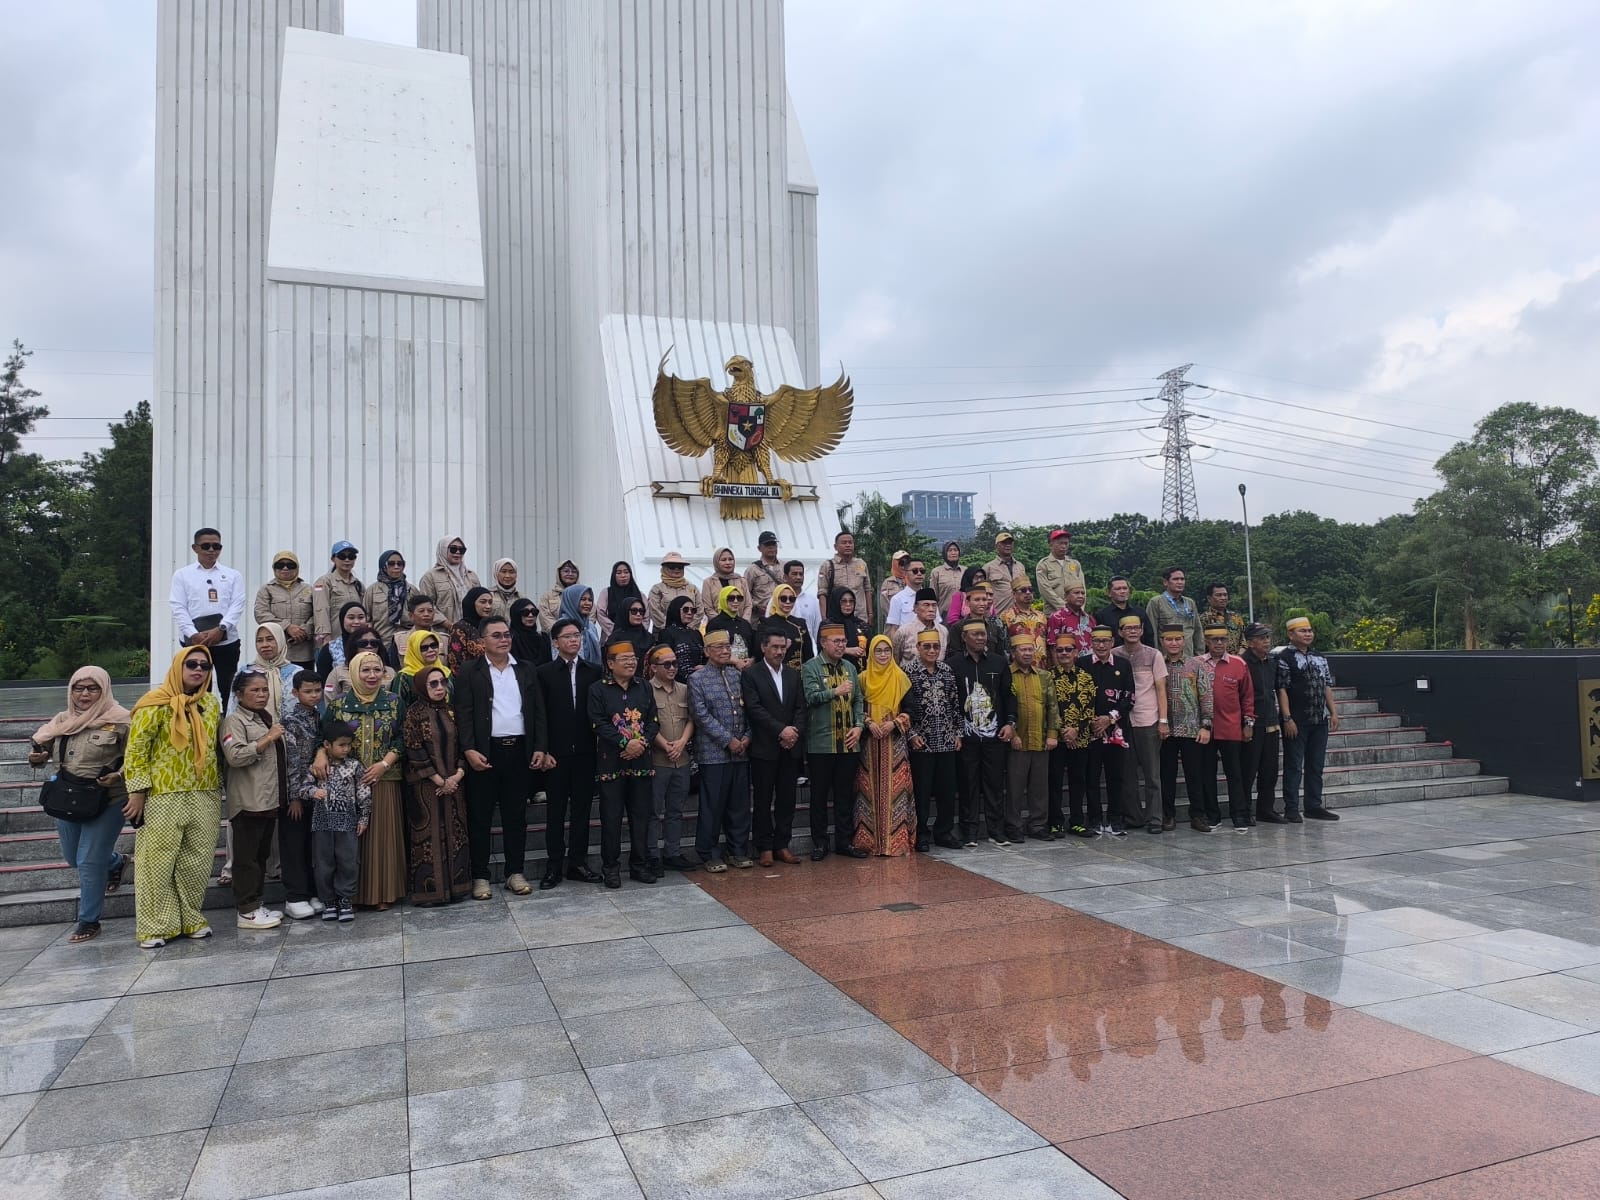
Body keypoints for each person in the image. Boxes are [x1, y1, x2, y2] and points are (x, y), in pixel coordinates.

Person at [125, 646, 222, 948]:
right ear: (178, 667)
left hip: (203, 791)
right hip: (162, 794)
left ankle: (190, 918)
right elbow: (136, 751)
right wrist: (137, 792)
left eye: (204, 666)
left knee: (198, 861)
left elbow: (216, 749)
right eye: (191, 664)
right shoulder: (153, 705)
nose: (198, 670)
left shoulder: (210, 703)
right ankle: (155, 926)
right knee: (156, 861)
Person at [29, 666, 131, 943]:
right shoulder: (62, 720)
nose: (84, 694)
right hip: (67, 798)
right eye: (78, 687)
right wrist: (37, 757)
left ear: (104, 690)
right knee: (73, 858)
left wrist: (119, 775)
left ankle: (89, 921)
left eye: (92, 688)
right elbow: (42, 747)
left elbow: (136, 757)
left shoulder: (122, 720)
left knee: (87, 861)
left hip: (107, 800)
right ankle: (115, 862)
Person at [455, 616, 549, 897]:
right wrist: (469, 749)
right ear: (483, 641)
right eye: (496, 635)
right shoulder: (470, 671)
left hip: (519, 751)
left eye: (507, 635)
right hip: (485, 753)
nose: (504, 639)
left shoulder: (526, 670)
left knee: (515, 816)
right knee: (481, 817)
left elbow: (538, 712)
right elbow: (464, 714)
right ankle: (480, 875)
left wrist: (540, 747)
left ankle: (514, 872)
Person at [327, 651, 406, 909]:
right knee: (351, 842)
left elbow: (404, 737)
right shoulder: (338, 705)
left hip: (385, 780)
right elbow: (323, 736)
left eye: (377, 670)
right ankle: (352, 895)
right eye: (365, 670)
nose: (372, 675)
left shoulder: (394, 701)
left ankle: (384, 893)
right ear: (353, 672)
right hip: (347, 783)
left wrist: (384, 764)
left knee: (383, 839)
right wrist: (319, 755)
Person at [535, 618, 602, 888]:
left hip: (586, 752)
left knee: (582, 811)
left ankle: (577, 862)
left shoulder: (593, 671)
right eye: (568, 636)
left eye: (577, 635)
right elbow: (539, 715)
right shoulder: (544, 673)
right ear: (555, 642)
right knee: (556, 811)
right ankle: (553, 866)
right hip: (556, 755)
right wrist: (544, 749)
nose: (574, 640)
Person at [588, 640, 659, 888]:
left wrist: (641, 743)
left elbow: (654, 721)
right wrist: (624, 743)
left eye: (633, 658)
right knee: (611, 818)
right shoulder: (598, 689)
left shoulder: (645, 687)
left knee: (641, 817)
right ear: (610, 663)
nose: (631, 662)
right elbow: (598, 723)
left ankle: (639, 865)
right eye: (624, 658)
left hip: (642, 760)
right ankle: (611, 868)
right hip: (612, 764)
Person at [219, 669, 286, 930]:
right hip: (248, 800)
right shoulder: (234, 721)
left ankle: (256, 904)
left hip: (267, 799)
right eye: (254, 690)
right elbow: (234, 756)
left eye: (264, 690)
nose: (261, 695)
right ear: (239, 694)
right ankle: (246, 910)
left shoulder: (264, 717)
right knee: (246, 859)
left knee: (259, 857)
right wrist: (266, 739)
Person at [402, 666, 472, 905]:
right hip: (425, 787)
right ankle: (430, 892)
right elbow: (413, 748)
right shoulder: (414, 713)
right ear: (422, 686)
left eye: (442, 682)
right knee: (428, 836)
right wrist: (438, 780)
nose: (440, 688)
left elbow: (465, 743)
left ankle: (457, 887)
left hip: (455, 784)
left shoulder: (452, 711)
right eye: (433, 684)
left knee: (456, 832)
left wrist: (457, 775)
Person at [689, 630, 754, 873]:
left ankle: (738, 850)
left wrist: (747, 737)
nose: (725, 651)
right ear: (706, 651)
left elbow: (749, 710)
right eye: (718, 647)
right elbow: (701, 716)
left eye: (727, 647)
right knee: (713, 805)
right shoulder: (698, 679)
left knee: (739, 804)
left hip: (741, 752)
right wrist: (728, 740)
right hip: (713, 753)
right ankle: (709, 852)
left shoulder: (737, 675)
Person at [801, 623, 866, 860]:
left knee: (844, 795)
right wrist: (835, 692)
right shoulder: (811, 667)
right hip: (822, 743)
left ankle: (844, 842)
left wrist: (859, 727)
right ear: (823, 642)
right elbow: (810, 697)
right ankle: (819, 843)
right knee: (818, 796)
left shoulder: (850, 667)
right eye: (836, 641)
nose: (841, 645)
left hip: (848, 742)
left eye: (843, 641)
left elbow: (859, 700)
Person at [742, 626, 805, 867]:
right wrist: (781, 730)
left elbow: (801, 708)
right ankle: (764, 846)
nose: (780, 651)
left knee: (787, 799)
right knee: (763, 799)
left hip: (790, 747)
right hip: (765, 746)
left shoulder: (792, 674)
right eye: (775, 647)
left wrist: (793, 732)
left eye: (783, 647)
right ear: (763, 647)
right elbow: (755, 708)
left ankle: (782, 844)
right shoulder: (752, 674)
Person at [949, 616, 1015, 847]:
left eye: (983, 634)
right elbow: (951, 700)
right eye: (975, 634)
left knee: (995, 784)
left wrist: (1010, 723)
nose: (980, 638)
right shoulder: (954, 664)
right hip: (966, 737)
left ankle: (996, 831)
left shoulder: (998, 663)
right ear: (964, 637)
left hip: (994, 735)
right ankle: (969, 832)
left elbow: (1009, 695)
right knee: (968, 785)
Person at [298, 717, 370, 922]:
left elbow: (364, 792)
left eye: (348, 745)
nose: (346, 749)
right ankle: (328, 901)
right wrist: (313, 792)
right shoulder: (318, 767)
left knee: (348, 861)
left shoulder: (355, 766)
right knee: (323, 863)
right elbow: (302, 789)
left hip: (347, 822)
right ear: (327, 745)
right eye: (341, 745)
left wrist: (363, 817)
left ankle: (345, 899)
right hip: (322, 822)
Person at [1276, 616, 1342, 821]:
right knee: (1294, 765)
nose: (1308, 634)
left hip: (1318, 720)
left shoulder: (1320, 657)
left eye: (1309, 631)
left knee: (1316, 765)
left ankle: (1313, 805)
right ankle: (1292, 808)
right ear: (1290, 634)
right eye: (1302, 631)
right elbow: (1282, 689)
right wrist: (1287, 718)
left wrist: (1333, 712)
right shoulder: (1284, 657)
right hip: (1296, 720)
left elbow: (1326, 686)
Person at [854, 635, 915, 855]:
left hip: (894, 743)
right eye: (878, 651)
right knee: (866, 792)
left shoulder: (900, 677)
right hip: (869, 744)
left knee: (896, 791)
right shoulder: (862, 679)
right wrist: (868, 723)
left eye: (886, 651)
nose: (882, 655)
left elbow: (911, 710)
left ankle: (895, 844)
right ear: (871, 653)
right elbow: (856, 707)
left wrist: (894, 723)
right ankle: (868, 844)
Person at [168, 527, 245, 698]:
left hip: (226, 641)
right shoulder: (182, 575)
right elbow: (178, 606)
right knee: (197, 688)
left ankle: (229, 723)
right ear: (195, 548)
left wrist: (221, 628)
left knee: (229, 689)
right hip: (195, 642)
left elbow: (238, 604)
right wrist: (193, 634)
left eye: (216, 546)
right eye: (206, 546)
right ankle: (198, 723)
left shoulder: (233, 575)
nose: (211, 550)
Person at [904, 629, 962, 851]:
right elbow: (904, 708)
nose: (931, 650)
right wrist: (912, 735)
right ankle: (921, 835)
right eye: (926, 646)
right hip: (922, 743)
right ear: (918, 648)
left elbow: (955, 704)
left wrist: (958, 732)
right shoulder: (909, 672)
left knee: (947, 791)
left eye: (935, 647)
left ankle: (944, 832)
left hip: (946, 740)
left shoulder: (947, 671)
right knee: (922, 792)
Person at [1113, 615, 1169, 834]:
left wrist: (1163, 721)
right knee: (1127, 774)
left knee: (1152, 774)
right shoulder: (1115, 655)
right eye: (1128, 628)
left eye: (1136, 628)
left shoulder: (1153, 654)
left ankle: (1155, 818)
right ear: (1120, 632)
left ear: (1142, 630)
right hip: (1123, 722)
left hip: (1148, 719)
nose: (1132, 631)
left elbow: (1161, 689)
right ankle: (1133, 817)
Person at [279, 670, 326, 919]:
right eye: (308, 691)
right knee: (294, 845)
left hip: (315, 791)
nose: (314, 695)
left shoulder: (319, 717)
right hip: (296, 794)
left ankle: (312, 892)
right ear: (295, 693)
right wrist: (295, 796)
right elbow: (291, 762)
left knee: (312, 845)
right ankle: (295, 896)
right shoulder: (290, 722)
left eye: (317, 690)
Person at [647, 645, 697, 872]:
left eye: (675, 663)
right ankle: (651, 855)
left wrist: (681, 742)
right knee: (654, 812)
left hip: (682, 758)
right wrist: (665, 744)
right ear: (653, 667)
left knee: (676, 810)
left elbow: (692, 719)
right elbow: (647, 723)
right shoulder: (645, 690)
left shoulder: (685, 689)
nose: (672, 668)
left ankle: (673, 852)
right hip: (658, 759)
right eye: (666, 664)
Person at [1201, 623, 1255, 831]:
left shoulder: (1238, 664)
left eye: (1223, 639)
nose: (1219, 643)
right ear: (1207, 641)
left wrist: (1248, 723)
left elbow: (1247, 697)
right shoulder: (1197, 663)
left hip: (1231, 727)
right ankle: (1212, 815)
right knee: (1207, 773)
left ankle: (1239, 815)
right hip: (1206, 730)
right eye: (1214, 640)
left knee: (1235, 773)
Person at [1080, 627, 1133, 838]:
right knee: (1091, 777)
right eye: (1097, 641)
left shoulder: (1123, 664)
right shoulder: (1082, 664)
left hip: (1116, 731)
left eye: (1105, 641)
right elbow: (1077, 694)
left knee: (1116, 777)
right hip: (1090, 730)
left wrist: (1109, 719)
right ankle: (1094, 819)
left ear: (1112, 642)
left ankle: (1115, 819)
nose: (1101, 645)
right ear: (1091, 642)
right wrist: (1093, 721)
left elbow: (1129, 697)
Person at [1159, 626, 1212, 833]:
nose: (1173, 643)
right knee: (1166, 775)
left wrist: (1205, 725)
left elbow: (1206, 696)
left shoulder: (1196, 665)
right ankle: (1168, 815)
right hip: (1165, 731)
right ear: (1162, 640)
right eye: (1169, 639)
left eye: (1177, 639)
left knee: (1195, 774)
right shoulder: (1158, 664)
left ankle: (1198, 815)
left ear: (1184, 640)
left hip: (1191, 729)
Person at [1005, 637, 1058, 844]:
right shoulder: (1007, 675)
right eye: (1023, 650)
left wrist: (1053, 734)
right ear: (1013, 652)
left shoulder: (1044, 676)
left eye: (1030, 650)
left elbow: (1052, 707)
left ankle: (1038, 825)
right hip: (1017, 740)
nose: (1027, 654)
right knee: (1015, 787)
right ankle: (1014, 825)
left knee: (1039, 787)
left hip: (1040, 738)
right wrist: (1013, 734)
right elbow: (1002, 705)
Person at [1046, 635, 1097, 838]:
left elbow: (1089, 707)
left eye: (1068, 649)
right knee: (1054, 781)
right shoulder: (1048, 677)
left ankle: (1077, 821)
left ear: (1076, 652)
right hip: (1056, 738)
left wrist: (1075, 729)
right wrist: (1062, 731)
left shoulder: (1086, 677)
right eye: (1060, 650)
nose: (1064, 653)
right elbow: (1049, 708)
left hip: (1080, 738)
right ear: (1054, 653)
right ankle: (1055, 822)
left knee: (1078, 780)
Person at [1241, 622, 1286, 823]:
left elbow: (1277, 690)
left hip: (1271, 721)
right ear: (1250, 643)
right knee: (1248, 770)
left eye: (1267, 637)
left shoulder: (1272, 662)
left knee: (1270, 770)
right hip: (1252, 723)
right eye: (1261, 638)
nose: (1266, 641)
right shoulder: (1242, 663)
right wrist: (1246, 723)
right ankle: (1244, 810)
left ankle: (1266, 810)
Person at [254, 550, 315, 666]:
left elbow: (318, 614)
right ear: (274, 568)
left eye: (290, 565)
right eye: (280, 565)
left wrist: (304, 631)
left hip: (304, 651)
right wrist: (287, 627)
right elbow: (261, 614)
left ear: (297, 568)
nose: (285, 568)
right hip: (276, 651)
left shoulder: (309, 589)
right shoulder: (266, 590)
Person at [312, 541, 366, 653]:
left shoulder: (358, 585)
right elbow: (321, 609)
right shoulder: (324, 582)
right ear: (333, 559)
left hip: (354, 640)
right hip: (333, 640)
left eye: (351, 556)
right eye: (342, 556)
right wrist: (325, 636)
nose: (347, 560)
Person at [418, 536, 482, 627]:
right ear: (443, 550)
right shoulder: (430, 577)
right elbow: (426, 606)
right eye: (453, 549)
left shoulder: (472, 576)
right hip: (443, 632)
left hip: (471, 631)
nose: (458, 552)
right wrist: (448, 624)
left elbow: (480, 602)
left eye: (462, 550)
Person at [239, 622, 297, 718]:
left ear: (280, 640)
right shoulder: (246, 671)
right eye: (259, 640)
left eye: (270, 639)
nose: (264, 645)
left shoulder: (296, 672)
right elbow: (233, 709)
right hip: (253, 730)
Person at [393, 628, 451, 723]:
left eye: (434, 645)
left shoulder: (446, 673)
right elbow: (399, 710)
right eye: (424, 648)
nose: (431, 650)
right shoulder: (405, 676)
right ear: (414, 650)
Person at [817, 531, 873, 626]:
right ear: (835, 547)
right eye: (844, 543)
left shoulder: (861, 564)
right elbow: (822, 593)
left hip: (859, 617)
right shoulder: (827, 566)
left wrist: (870, 614)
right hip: (837, 619)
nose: (848, 545)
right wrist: (824, 619)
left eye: (850, 542)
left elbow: (867, 589)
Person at [1147, 566, 1203, 659]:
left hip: (1189, 657)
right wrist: (1156, 658)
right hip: (1165, 658)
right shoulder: (1156, 602)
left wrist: (1200, 655)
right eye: (1176, 579)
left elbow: (1197, 630)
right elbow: (1151, 632)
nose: (1180, 582)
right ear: (1166, 582)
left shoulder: (1190, 602)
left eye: (1182, 579)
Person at [324, 628, 393, 702]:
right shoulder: (338, 672)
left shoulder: (390, 672)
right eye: (363, 643)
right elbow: (330, 700)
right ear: (354, 645)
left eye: (374, 643)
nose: (369, 646)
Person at [951, 580, 1011, 663]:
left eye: (984, 599)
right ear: (968, 602)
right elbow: (954, 656)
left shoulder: (994, 627)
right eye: (977, 600)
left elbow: (1000, 655)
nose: (982, 603)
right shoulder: (958, 627)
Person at [365, 550, 414, 647]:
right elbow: (366, 618)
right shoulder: (372, 590)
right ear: (383, 566)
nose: (396, 567)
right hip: (382, 642)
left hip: (406, 643)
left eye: (400, 564)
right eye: (391, 564)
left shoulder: (411, 590)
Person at [314, 601, 372, 678]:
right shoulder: (330, 649)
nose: (356, 621)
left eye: (361, 617)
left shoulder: (373, 644)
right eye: (351, 618)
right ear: (342, 620)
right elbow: (323, 680)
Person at [891, 588, 946, 668]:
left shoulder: (943, 631)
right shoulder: (904, 632)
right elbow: (895, 661)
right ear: (916, 608)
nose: (931, 609)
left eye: (934, 605)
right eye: (926, 605)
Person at [705, 584, 757, 669]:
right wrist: (736, 661)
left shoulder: (745, 624)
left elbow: (753, 647)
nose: (735, 601)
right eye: (731, 598)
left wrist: (751, 660)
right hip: (724, 670)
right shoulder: (715, 624)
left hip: (746, 670)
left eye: (739, 598)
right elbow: (712, 651)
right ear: (723, 600)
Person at [1035, 529, 1086, 614]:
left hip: (1076, 613)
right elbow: (1045, 590)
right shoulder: (1043, 564)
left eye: (1066, 543)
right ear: (1051, 544)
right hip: (1053, 613)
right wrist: (1065, 608)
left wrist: (1081, 609)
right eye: (1060, 543)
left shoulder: (1075, 564)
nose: (1063, 546)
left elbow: (1083, 588)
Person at [764, 584, 814, 669]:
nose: (788, 602)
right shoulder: (766, 623)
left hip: (799, 675)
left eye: (792, 599)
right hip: (775, 673)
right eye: (783, 599)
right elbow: (760, 653)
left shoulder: (800, 623)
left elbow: (809, 654)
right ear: (776, 599)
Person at [1095, 576, 1154, 647]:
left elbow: (1149, 636)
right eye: (1118, 589)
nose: (1122, 591)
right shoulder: (1102, 615)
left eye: (1125, 588)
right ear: (1109, 593)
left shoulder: (1140, 612)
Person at [447, 586, 497, 671]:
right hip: (471, 680)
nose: (488, 606)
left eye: (490, 602)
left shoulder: (491, 626)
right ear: (472, 603)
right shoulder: (460, 628)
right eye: (483, 602)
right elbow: (456, 663)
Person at [656, 596, 705, 680]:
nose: (689, 613)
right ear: (676, 610)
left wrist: (704, 667)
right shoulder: (667, 633)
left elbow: (705, 657)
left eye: (693, 610)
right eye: (686, 610)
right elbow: (665, 661)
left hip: (699, 681)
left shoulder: (696, 634)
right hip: (676, 683)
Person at [557, 583, 605, 667]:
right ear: (572, 601)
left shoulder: (591, 626)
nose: (588, 603)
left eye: (590, 600)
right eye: (583, 599)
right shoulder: (561, 626)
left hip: (592, 675)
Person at [647, 552, 697, 630]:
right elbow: (655, 611)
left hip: (689, 633)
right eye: (672, 567)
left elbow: (699, 610)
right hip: (663, 632)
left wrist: (689, 627)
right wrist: (670, 628)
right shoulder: (657, 589)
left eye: (680, 567)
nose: (676, 569)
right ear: (664, 568)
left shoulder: (693, 588)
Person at [982, 531, 1027, 616]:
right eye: (1004, 543)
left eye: (1010, 542)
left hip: (1020, 615)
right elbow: (982, 593)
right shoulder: (988, 568)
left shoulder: (1020, 566)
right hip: (999, 614)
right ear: (996, 546)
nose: (1008, 545)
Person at [1045, 584, 1096, 658]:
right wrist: (1059, 669)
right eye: (1076, 593)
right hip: (1067, 664)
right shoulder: (1057, 617)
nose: (1081, 596)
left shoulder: (1089, 618)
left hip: (1088, 665)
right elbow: (1052, 646)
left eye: (1083, 593)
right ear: (1066, 597)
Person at [597, 560, 644, 640]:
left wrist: (639, 630)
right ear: (613, 575)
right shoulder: (606, 592)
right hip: (612, 635)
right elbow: (600, 613)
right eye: (619, 573)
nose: (623, 575)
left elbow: (646, 616)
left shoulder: (640, 594)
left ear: (630, 574)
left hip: (638, 636)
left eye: (626, 572)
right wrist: (615, 630)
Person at [743, 530, 785, 615]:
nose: (771, 547)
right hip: (761, 618)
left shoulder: (785, 566)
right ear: (759, 548)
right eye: (767, 545)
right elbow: (744, 594)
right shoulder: (752, 570)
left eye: (773, 544)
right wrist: (757, 606)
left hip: (783, 614)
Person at [398, 593, 449, 662]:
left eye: (430, 611)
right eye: (421, 611)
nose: (426, 614)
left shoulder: (445, 640)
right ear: (411, 615)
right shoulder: (399, 640)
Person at [1002, 577, 1046, 655]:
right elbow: (1004, 646)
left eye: (1030, 590)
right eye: (1023, 590)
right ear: (1014, 594)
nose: (1028, 592)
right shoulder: (1006, 616)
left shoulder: (1041, 616)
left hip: (1042, 664)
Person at [826, 586, 870, 667]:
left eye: (851, 601)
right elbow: (824, 650)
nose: (848, 604)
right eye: (844, 601)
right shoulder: (828, 625)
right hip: (835, 672)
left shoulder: (861, 624)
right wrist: (847, 650)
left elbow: (870, 649)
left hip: (860, 672)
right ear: (836, 602)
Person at [884, 557, 929, 634]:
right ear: (905, 573)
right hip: (906, 644)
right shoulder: (897, 599)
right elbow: (894, 629)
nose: (919, 573)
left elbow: (936, 624)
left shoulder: (930, 597)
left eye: (922, 571)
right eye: (915, 571)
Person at [1204, 583, 1248, 655]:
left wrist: (1238, 656)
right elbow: (1201, 644)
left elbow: (1243, 641)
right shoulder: (1204, 619)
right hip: (1214, 661)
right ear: (1209, 598)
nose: (1223, 598)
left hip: (1236, 660)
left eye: (1225, 595)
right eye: (1219, 595)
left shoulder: (1236, 617)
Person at [787, 561, 822, 648]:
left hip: (807, 650)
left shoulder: (813, 601)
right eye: (794, 574)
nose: (798, 577)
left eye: (801, 574)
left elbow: (817, 630)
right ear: (785, 577)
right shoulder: (777, 599)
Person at [509, 597, 552, 667]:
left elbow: (549, 665)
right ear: (516, 614)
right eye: (525, 612)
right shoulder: (510, 638)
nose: (530, 615)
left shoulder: (543, 638)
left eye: (534, 612)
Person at [540, 559, 581, 630]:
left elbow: (591, 615)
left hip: (579, 636)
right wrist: (561, 631)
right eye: (566, 571)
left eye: (574, 572)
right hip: (554, 637)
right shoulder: (548, 596)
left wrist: (577, 631)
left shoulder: (583, 594)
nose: (570, 574)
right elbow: (545, 617)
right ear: (559, 573)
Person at [612, 596, 656, 661]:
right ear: (625, 612)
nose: (638, 614)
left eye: (641, 611)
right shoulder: (615, 638)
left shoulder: (649, 637)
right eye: (634, 611)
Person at [701, 547, 743, 611]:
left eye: (730, 559)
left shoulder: (741, 580)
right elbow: (707, 607)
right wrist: (719, 621)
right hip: (717, 620)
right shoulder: (709, 582)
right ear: (716, 562)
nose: (728, 562)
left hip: (740, 620)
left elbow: (748, 605)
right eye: (723, 560)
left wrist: (743, 620)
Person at [929, 541, 965, 611]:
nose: (953, 553)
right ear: (945, 553)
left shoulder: (965, 571)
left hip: (964, 615)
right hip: (944, 614)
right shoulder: (937, 572)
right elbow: (933, 597)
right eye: (950, 550)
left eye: (955, 550)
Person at [879, 550, 912, 627]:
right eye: (901, 562)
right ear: (895, 564)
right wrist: (897, 618)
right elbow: (884, 605)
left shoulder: (914, 581)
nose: (904, 565)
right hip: (893, 625)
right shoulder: (888, 583)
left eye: (907, 562)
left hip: (912, 625)